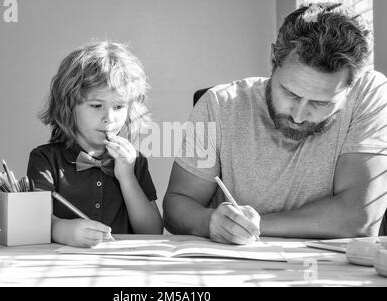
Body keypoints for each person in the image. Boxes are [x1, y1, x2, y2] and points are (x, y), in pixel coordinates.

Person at [163, 3, 387, 244]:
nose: (299, 116)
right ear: (272, 59)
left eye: (321, 103)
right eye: (290, 93)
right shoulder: (218, 104)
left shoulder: (369, 93)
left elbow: (359, 218)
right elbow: (177, 205)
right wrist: (209, 222)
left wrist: (256, 226)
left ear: (351, 87)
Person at [27, 41, 163, 248]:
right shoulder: (45, 159)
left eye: (118, 106)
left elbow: (152, 231)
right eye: (96, 105)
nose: (109, 118)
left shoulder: (134, 161)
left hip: (122, 267)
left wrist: (126, 176)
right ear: (69, 106)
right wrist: (62, 230)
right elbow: (32, 221)